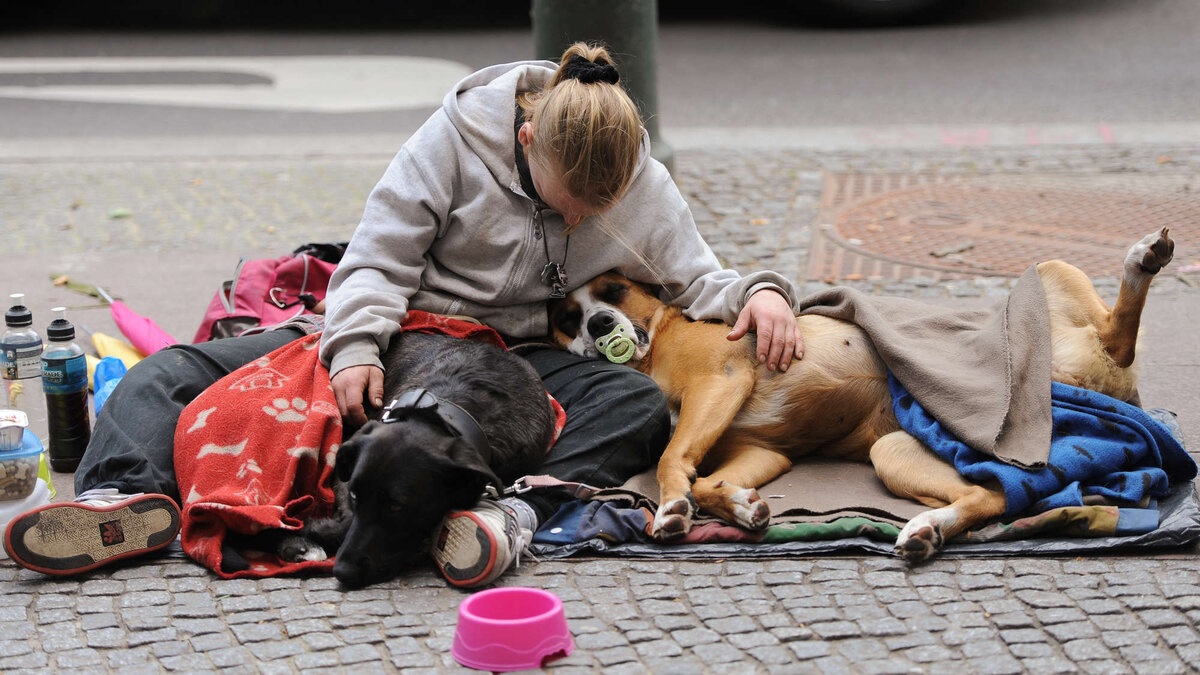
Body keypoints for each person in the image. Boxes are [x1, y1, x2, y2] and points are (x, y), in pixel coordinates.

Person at [3, 43, 803, 587]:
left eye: (604, 206)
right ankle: (121, 502)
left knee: (631, 402)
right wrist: (355, 347)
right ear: (526, 139)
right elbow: (376, 261)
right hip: (400, 332)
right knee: (170, 370)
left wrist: (761, 293)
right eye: (572, 204)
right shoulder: (450, 142)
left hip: (516, 360)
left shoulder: (632, 177)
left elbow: (698, 275)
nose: (588, 218)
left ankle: (509, 512)